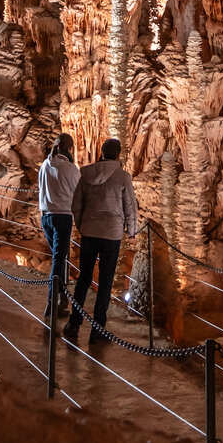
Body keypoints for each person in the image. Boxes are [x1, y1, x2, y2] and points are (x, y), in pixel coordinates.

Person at [64, 138, 139, 343]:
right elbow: (130, 206)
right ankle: (98, 330)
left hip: (89, 232)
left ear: (102, 152)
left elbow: (76, 204)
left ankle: (74, 323)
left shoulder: (86, 173)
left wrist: (82, 225)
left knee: (84, 278)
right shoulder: (123, 177)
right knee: (105, 282)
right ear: (118, 154)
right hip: (111, 234)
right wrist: (132, 231)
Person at [37, 133, 79, 319]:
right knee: (58, 260)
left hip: (46, 217)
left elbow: (40, 188)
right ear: (69, 149)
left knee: (59, 258)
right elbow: (79, 193)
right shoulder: (71, 169)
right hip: (62, 217)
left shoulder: (45, 165)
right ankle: (51, 303)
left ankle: (62, 300)